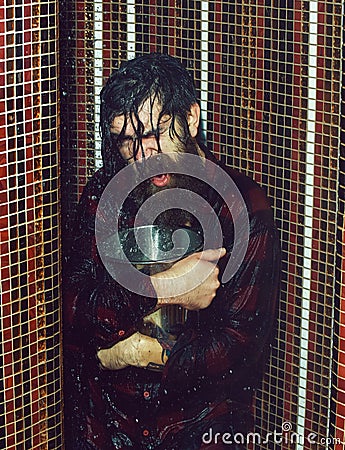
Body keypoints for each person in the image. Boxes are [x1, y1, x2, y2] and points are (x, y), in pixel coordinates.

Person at [63, 53, 281, 449]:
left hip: (198, 432)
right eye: (127, 140)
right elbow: (72, 310)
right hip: (107, 431)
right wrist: (163, 289)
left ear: (191, 119)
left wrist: (134, 352)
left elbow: (238, 350)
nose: (144, 154)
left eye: (154, 132)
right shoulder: (106, 193)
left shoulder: (242, 208)